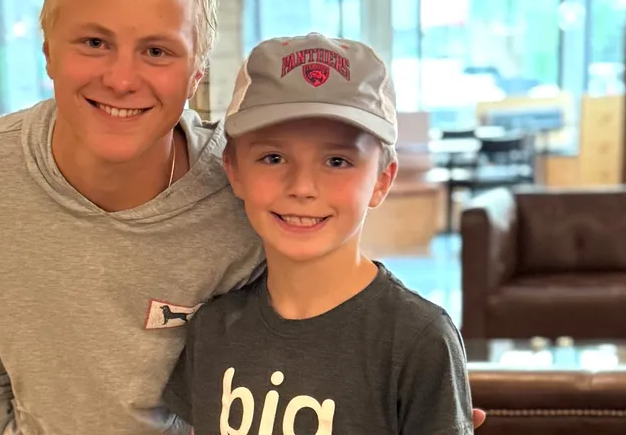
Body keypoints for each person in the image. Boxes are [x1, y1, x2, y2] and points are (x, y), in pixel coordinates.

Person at [0, 0, 486, 433]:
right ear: (46, 46)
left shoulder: (243, 197)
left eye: (157, 51)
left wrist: (418, 391)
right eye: (93, 41)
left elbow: (336, 305)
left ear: (197, 74)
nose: (121, 78)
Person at [162, 33, 474, 434]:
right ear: (234, 170)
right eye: (273, 157)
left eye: (337, 160)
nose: (303, 186)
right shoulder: (212, 330)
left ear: (381, 179)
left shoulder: (418, 341)